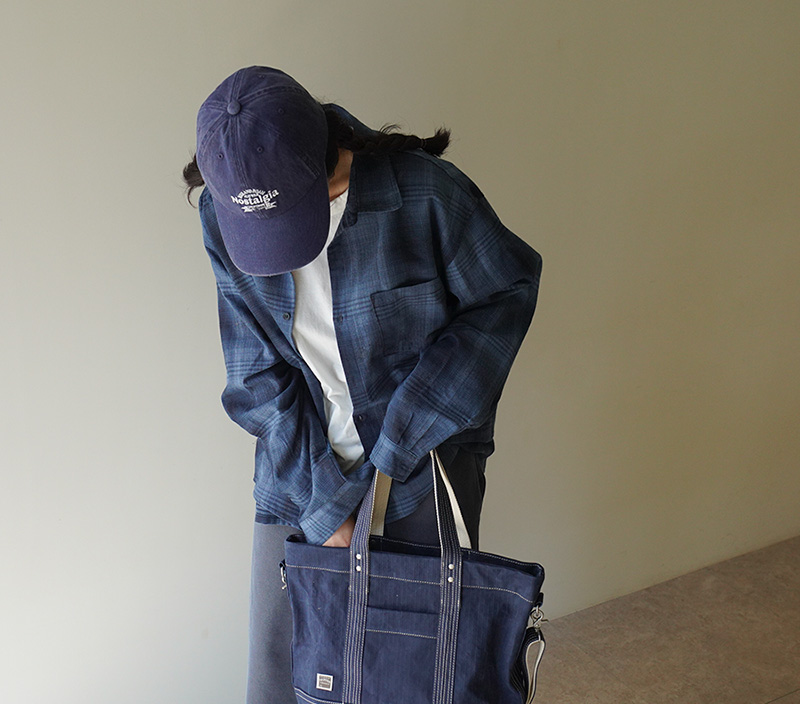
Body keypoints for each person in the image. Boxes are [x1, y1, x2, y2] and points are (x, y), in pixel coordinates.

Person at [183, 66, 542, 704]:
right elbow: (256, 378)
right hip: (298, 473)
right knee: (283, 678)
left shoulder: (428, 196)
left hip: (422, 468)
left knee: (415, 676)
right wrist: (327, 511)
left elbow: (506, 292)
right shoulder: (225, 212)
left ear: (325, 157)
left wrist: (400, 443)